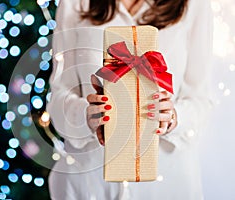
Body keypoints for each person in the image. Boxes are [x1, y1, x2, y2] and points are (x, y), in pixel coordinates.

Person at [47, 0, 213, 199]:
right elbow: (58, 99)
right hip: (90, 183)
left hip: (167, 184)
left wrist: (174, 117)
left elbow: (201, 100)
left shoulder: (194, 4)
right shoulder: (74, 3)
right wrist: (85, 116)